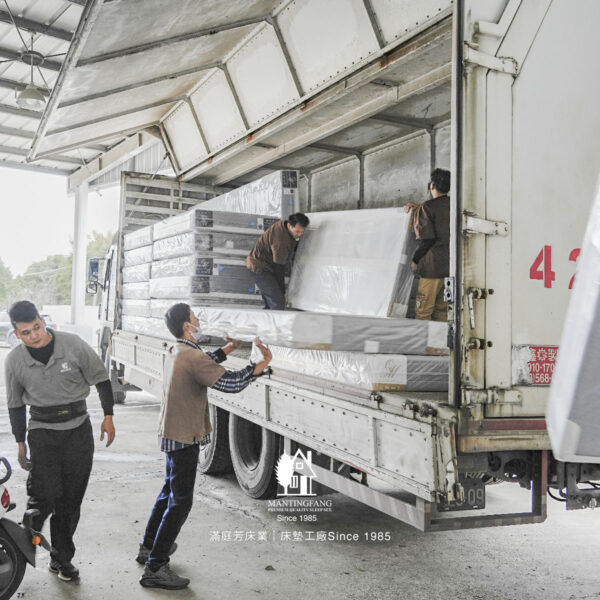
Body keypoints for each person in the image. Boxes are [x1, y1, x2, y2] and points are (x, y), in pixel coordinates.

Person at [137, 303, 273, 590]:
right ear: (188, 326)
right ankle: (155, 567)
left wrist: (227, 349)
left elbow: (203, 362)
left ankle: (149, 547)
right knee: (180, 502)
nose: (199, 321)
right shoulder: (191, 357)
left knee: (168, 492)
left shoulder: (178, 350)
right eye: (195, 318)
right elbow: (231, 383)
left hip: (171, 434)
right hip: (184, 437)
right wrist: (259, 366)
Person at [4, 300, 116, 582]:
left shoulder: (73, 345)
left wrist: (108, 416)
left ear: (43, 321)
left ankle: (61, 559)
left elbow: (101, 379)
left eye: (37, 328)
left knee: (70, 500)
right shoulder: (14, 360)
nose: (34, 336)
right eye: (26, 333)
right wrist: (20, 443)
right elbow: (16, 405)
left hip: (77, 430)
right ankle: (21, 549)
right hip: (41, 432)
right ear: (17, 334)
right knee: (43, 497)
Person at [405, 168, 451, 321]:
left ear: (432, 186)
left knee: (423, 312)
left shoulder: (427, 207)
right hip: (450, 269)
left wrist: (415, 259)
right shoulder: (455, 205)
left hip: (432, 268)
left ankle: (423, 345)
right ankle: (439, 345)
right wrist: (419, 208)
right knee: (442, 313)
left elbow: (428, 239)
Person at [246, 212, 310, 310]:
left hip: (266, 266)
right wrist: (282, 292)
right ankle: (275, 324)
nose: (300, 235)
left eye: (302, 231)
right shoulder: (281, 241)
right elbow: (278, 269)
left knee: (271, 304)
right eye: (297, 231)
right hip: (259, 268)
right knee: (278, 303)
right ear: (289, 225)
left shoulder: (285, 225)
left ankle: (266, 322)